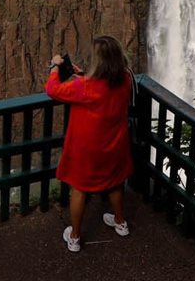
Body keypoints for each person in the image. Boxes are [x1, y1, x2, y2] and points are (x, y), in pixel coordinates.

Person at [44, 35, 134, 253]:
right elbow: (105, 86)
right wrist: (81, 74)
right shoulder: (125, 79)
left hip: (88, 149)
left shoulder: (85, 87)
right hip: (114, 144)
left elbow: (52, 90)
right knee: (115, 182)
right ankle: (121, 223)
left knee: (80, 188)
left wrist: (56, 67)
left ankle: (74, 237)